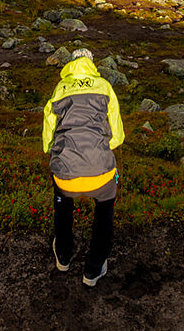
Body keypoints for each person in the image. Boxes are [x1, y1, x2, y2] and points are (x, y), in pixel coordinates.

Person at [42, 48, 124, 287]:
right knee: (105, 209)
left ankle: (63, 256)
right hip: (101, 174)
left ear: (71, 63)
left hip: (66, 175)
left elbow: (48, 139)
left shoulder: (60, 89)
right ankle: (93, 268)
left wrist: (57, 151)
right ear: (92, 63)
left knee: (62, 201)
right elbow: (117, 137)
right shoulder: (105, 87)